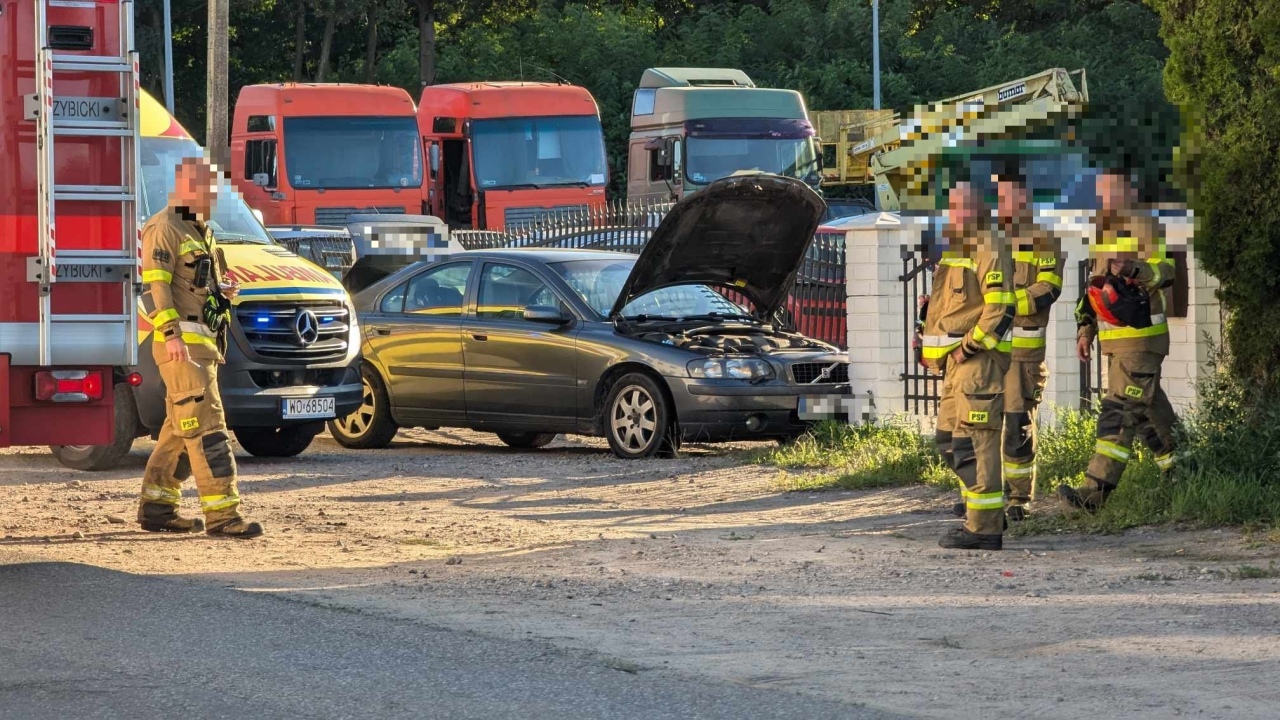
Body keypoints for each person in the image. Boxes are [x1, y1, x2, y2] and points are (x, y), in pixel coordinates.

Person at [136, 157, 264, 538]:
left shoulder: (199, 229)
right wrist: (171, 334)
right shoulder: (164, 227)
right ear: (184, 188)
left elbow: (192, 284)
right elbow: (155, 288)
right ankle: (224, 515)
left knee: (180, 429)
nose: (211, 199)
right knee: (209, 427)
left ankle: (158, 508)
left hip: (203, 346)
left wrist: (222, 291)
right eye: (206, 191)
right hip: (183, 348)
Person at [1061, 168, 1177, 512]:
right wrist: (1085, 331)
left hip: (1142, 342)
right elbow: (1095, 290)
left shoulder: (1146, 227)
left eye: (1112, 190)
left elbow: (1166, 272)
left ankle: (1093, 493)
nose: (1105, 198)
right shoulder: (1104, 234)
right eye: (1101, 191)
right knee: (1150, 415)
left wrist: (1132, 269)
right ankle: (1187, 472)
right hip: (1117, 347)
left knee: (1119, 413)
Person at [921, 182, 1016, 550]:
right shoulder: (960, 246)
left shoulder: (989, 244)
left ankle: (984, 528)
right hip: (956, 366)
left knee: (976, 443)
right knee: (950, 441)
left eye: (958, 206)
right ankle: (988, 513)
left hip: (977, 362)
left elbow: (1001, 307)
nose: (951, 214)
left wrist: (969, 346)